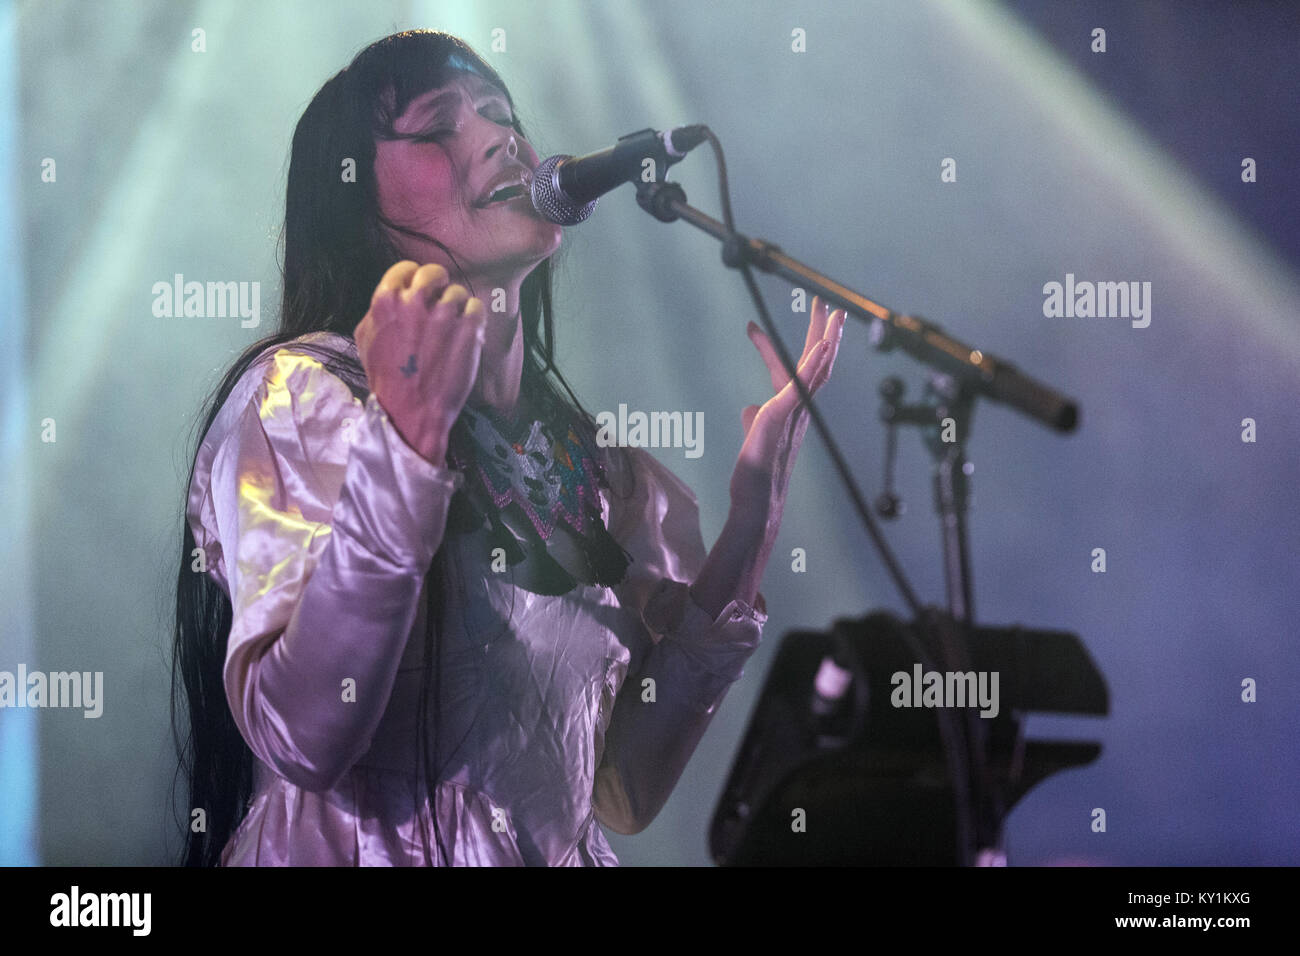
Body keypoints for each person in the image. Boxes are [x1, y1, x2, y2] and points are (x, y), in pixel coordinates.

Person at [170, 29, 845, 866]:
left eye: (500, 113)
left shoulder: (584, 471)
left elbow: (622, 788)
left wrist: (753, 514)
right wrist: (406, 450)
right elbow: (305, 736)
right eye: (437, 126)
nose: (500, 138)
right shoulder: (308, 397)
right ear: (355, 202)